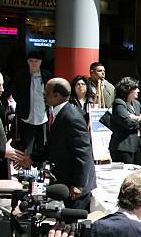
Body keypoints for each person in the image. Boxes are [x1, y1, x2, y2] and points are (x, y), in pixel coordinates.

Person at [17, 78, 97, 211]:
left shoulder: (71, 117)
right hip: (65, 180)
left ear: (56, 95)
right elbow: (53, 145)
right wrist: (32, 158)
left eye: (46, 93)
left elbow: (83, 153)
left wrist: (78, 184)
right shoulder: (59, 112)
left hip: (75, 186)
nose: (43, 95)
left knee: (72, 224)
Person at [11, 50, 51, 155]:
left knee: (42, 145)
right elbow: (15, 92)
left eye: (36, 61)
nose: (34, 63)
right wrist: (22, 103)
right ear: (28, 62)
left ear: (40, 62)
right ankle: (26, 168)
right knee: (26, 145)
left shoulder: (46, 75)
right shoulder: (21, 75)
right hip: (26, 116)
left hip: (43, 116)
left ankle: (40, 168)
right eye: (31, 61)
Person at [108, 77, 141, 166]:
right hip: (123, 147)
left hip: (137, 145)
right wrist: (140, 118)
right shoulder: (119, 103)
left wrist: (136, 118)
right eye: (135, 88)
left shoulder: (136, 103)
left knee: (137, 175)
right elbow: (128, 123)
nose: (138, 90)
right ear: (128, 89)